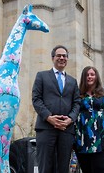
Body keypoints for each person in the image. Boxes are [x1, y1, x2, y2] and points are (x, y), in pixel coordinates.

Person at [32, 45, 80, 173]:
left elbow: (77, 103)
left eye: (64, 56)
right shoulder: (41, 76)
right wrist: (49, 117)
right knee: (45, 167)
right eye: (59, 55)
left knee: (63, 168)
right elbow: (36, 99)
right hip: (46, 128)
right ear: (53, 58)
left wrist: (70, 119)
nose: (62, 58)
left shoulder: (73, 81)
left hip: (66, 130)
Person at [74, 66, 104, 173]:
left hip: (103, 138)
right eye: (87, 75)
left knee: (100, 169)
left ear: (96, 77)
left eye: (92, 74)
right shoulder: (77, 95)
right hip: (83, 140)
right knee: (86, 170)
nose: (89, 77)